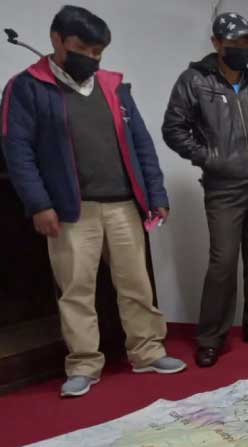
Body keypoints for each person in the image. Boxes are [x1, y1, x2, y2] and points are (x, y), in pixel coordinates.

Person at [1, 5, 186, 398]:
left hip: (123, 205)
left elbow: (142, 144)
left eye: (98, 51)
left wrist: (156, 194)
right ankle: (84, 364)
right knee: (76, 290)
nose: (91, 58)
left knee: (136, 284)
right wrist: (38, 204)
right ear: (57, 40)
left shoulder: (113, 87)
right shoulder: (27, 87)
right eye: (82, 49)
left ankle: (147, 351)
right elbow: (17, 152)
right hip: (71, 210)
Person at [162, 12, 248, 368]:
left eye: (246, 42)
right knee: (223, 263)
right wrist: (210, 158)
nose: (241, 48)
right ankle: (210, 338)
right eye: (234, 42)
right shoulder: (194, 81)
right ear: (217, 43)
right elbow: (173, 129)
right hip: (224, 188)